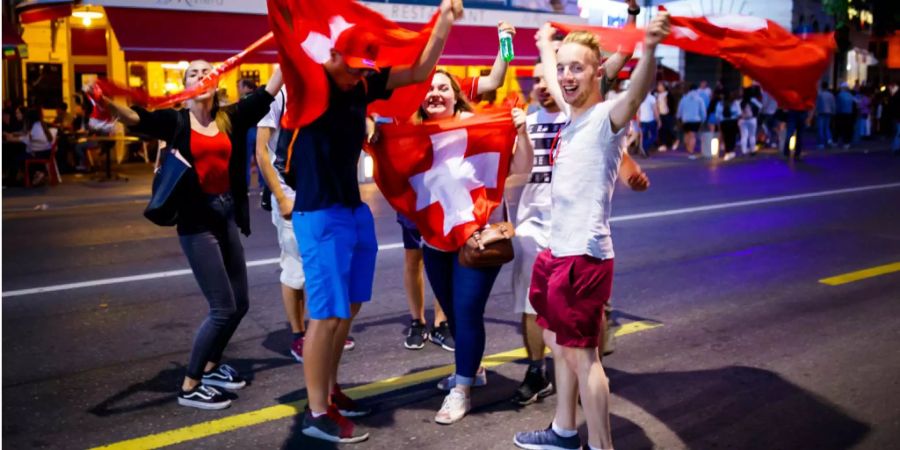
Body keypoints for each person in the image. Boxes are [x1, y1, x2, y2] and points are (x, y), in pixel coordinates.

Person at [289, 0, 464, 443]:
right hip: (319, 214)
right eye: (353, 67)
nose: (360, 75)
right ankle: (315, 414)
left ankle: (329, 391)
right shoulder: (312, 86)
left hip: (352, 211)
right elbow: (289, 39)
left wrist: (443, 21)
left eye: (365, 69)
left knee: (348, 308)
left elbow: (420, 70)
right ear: (331, 58)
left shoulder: (362, 86)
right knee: (324, 316)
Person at [514, 13, 669, 450]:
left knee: (584, 356)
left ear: (598, 71)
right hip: (555, 250)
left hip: (584, 256)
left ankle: (601, 445)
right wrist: (548, 45)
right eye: (562, 68)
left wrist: (651, 49)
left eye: (576, 67)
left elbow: (636, 91)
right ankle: (564, 430)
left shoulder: (605, 118)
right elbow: (551, 70)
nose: (564, 76)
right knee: (554, 340)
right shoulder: (573, 113)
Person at [96, 62, 283, 410]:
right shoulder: (176, 121)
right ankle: (190, 384)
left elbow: (268, 91)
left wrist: (291, 42)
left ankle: (211, 368)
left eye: (207, 70)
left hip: (226, 216)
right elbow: (136, 118)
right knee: (222, 308)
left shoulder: (228, 118)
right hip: (197, 225)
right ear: (185, 86)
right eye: (194, 73)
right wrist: (106, 103)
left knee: (240, 304)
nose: (202, 75)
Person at [511, 57, 650, 408]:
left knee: (586, 310)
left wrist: (631, 173)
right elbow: (509, 166)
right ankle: (535, 370)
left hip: (576, 228)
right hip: (532, 223)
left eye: (550, 80)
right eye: (537, 81)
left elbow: (612, 147)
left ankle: (588, 370)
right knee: (532, 303)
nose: (543, 86)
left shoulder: (581, 114)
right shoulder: (524, 120)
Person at [403, 69, 533, 425]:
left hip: (477, 239)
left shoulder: (479, 126)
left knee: (467, 309)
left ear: (456, 94)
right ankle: (471, 370)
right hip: (434, 240)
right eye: (429, 89)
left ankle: (461, 391)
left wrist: (519, 133)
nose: (435, 94)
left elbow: (520, 169)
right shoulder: (413, 134)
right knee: (454, 312)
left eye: (443, 87)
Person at [403, 19, 517, 353]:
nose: (434, 93)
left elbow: (494, 79)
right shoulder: (404, 88)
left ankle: (446, 325)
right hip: (423, 196)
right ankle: (418, 321)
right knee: (417, 259)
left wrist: (504, 45)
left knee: (457, 268)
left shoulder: (451, 85)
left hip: (462, 207)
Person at [4, 108, 58, 186]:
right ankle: (36, 173)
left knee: (16, 158)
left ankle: (18, 179)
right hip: (45, 152)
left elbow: (24, 139)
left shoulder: (35, 128)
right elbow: (26, 136)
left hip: (40, 154)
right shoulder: (40, 125)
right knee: (21, 155)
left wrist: (9, 138)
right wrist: (13, 135)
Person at [675, 83, 706, 154]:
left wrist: (678, 117)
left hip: (685, 120)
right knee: (692, 136)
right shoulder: (699, 99)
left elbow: (680, 109)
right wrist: (703, 119)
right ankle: (690, 150)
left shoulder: (684, 99)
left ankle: (687, 147)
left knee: (686, 134)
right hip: (696, 120)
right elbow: (703, 111)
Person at [738, 87, 762, 156]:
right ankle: (752, 149)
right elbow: (760, 106)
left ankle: (744, 150)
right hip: (752, 119)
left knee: (743, 135)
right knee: (752, 135)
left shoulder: (740, 101)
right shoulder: (753, 100)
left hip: (742, 120)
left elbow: (738, 111)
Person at [716, 91, 741, 158]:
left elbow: (717, 115)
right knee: (732, 137)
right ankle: (731, 150)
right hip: (733, 122)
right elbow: (739, 113)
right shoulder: (735, 103)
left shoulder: (720, 103)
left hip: (724, 122)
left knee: (726, 137)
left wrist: (719, 123)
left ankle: (727, 151)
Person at [834, 82, 855, 148]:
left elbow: (837, 105)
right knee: (847, 128)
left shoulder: (839, 95)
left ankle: (836, 141)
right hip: (849, 114)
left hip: (840, 113)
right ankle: (847, 142)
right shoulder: (850, 95)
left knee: (839, 128)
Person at [815, 82, 835, 148]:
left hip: (821, 112)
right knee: (827, 127)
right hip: (829, 112)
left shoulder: (820, 95)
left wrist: (816, 111)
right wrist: (833, 112)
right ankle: (829, 140)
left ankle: (821, 143)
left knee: (821, 128)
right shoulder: (831, 95)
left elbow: (817, 104)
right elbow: (833, 104)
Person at [656, 81, 674, 151]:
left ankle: (670, 143)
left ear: (664, 87)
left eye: (660, 86)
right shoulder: (658, 95)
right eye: (658, 86)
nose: (659, 87)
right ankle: (663, 144)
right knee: (662, 130)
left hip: (667, 114)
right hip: (660, 114)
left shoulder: (668, 94)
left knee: (667, 129)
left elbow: (671, 104)